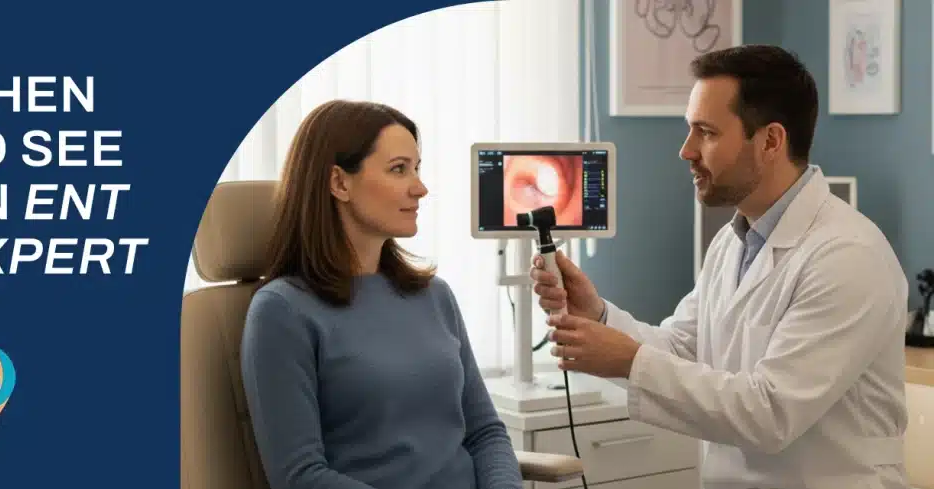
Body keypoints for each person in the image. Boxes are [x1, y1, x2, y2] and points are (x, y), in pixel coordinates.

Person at [531, 45, 910, 489]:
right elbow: (683, 348)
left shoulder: (847, 256)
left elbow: (771, 413)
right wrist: (597, 315)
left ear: (770, 141)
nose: (685, 151)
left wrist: (629, 360)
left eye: (705, 132)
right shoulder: (734, 243)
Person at [241, 99, 523, 489]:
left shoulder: (435, 297)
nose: (420, 188)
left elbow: (485, 432)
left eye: (417, 168)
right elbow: (300, 477)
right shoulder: (282, 311)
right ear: (339, 182)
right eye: (399, 170)